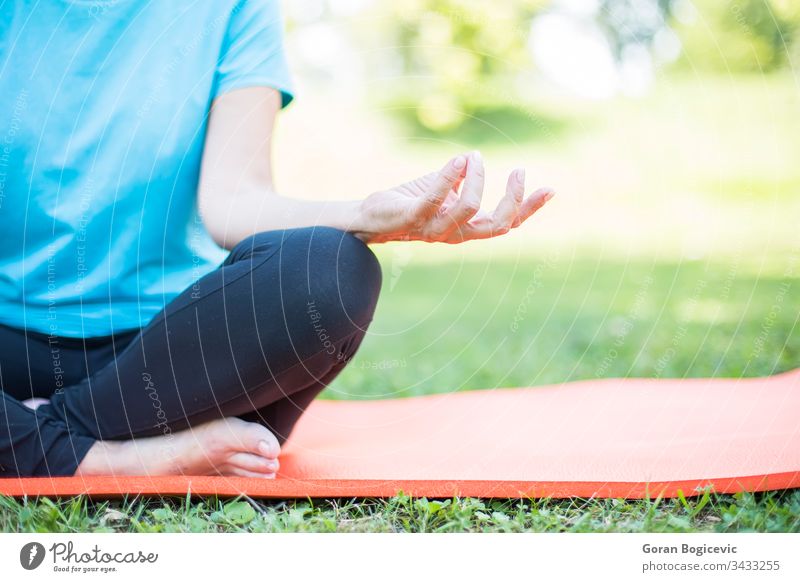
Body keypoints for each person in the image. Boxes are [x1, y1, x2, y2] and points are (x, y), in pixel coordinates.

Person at [0, 0, 553, 479]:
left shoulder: (231, 6)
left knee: (330, 270)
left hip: (170, 360)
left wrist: (366, 214)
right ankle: (114, 457)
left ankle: (34, 437)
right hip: (11, 345)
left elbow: (233, 200)